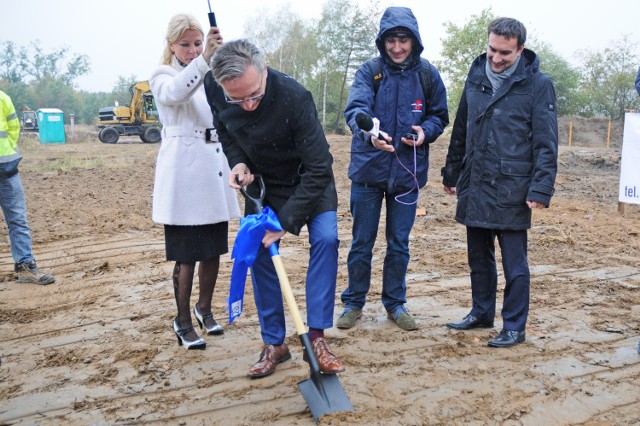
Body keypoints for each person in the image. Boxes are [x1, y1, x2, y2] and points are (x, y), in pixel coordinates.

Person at [204, 39, 344, 378]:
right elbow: (226, 133)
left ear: (264, 71)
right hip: (263, 183)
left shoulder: (295, 97)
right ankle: (275, 344)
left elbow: (319, 167)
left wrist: (286, 220)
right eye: (238, 99)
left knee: (326, 239)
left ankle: (317, 338)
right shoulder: (213, 86)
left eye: (255, 94)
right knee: (260, 254)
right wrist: (237, 163)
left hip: (308, 181)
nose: (248, 105)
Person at [442, 17, 558, 347]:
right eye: (492, 49)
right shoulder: (476, 74)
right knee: (478, 256)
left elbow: (546, 142)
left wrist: (540, 187)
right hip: (476, 180)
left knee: (514, 264)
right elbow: (461, 126)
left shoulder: (539, 85)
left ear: (520, 49)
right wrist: (451, 173)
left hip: (513, 185)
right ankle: (481, 312)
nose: (496, 58)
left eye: (505, 53)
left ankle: (514, 326)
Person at [336, 6, 449, 331]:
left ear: (413, 41)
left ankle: (395, 304)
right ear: (382, 41)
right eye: (391, 41)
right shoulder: (369, 72)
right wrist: (370, 134)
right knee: (361, 243)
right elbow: (356, 109)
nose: (397, 47)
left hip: (407, 176)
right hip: (368, 173)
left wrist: (425, 131)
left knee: (399, 243)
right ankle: (353, 303)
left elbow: (440, 115)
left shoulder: (427, 75)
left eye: (404, 40)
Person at [149, 14, 240, 350]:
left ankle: (204, 308)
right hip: (183, 175)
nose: (192, 50)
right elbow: (175, 93)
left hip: (213, 169)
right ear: (172, 45)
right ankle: (182, 319)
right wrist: (203, 61)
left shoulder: (211, 75)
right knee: (187, 255)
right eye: (185, 44)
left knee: (213, 250)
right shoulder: (163, 75)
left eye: (198, 43)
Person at [0, 90, 55, 285]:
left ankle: (25, 268)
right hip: (6, 166)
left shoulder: (3, 98)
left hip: (6, 169)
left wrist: (6, 154)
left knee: (18, 220)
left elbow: (14, 128)